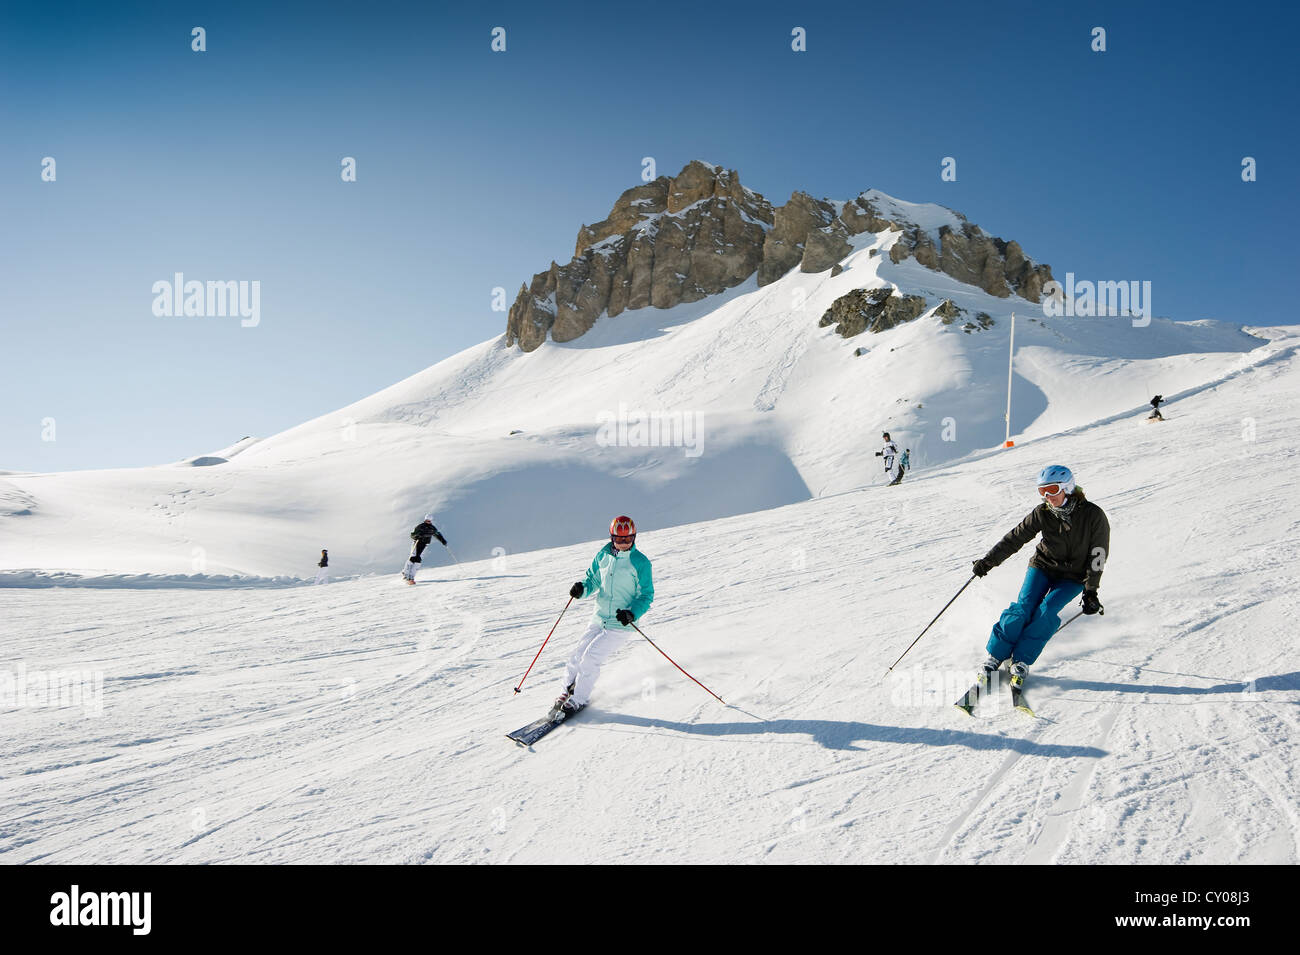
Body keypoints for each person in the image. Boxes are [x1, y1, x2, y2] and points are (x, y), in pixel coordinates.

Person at [970, 465, 1109, 692]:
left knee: (1045, 612)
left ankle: (1022, 660)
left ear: (1067, 487)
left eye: (1052, 489)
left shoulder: (1093, 515)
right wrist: (988, 561)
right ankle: (995, 656)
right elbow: (1015, 538)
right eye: (1042, 491)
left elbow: (1098, 554)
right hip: (1043, 566)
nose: (1047, 496)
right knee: (1023, 608)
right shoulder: (1042, 512)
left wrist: (1091, 590)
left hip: (1074, 576)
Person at [552, 516, 655, 718]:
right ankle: (566, 692)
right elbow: (592, 579)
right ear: (612, 537)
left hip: (621, 623)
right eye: (619, 539)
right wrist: (582, 588)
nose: (623, 544)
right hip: (599, 617)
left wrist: (632, 613)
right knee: (576, 655)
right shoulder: (603, 555)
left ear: (634, 537)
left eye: (628, 539)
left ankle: (579, 699)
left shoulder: (641, 563)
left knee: (590, 658)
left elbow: (646, 595)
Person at [402, 514, 447, 584]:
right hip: (417, 543)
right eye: (427, 520)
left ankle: (411, 577)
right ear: (425, 520)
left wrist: (443, 541)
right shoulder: (420, 526)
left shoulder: (432, 528)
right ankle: (405, 573)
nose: (428, 521)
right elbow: (412, 534)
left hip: (424, 545)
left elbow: (437, 534)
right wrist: (416, 536)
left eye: (429, 521)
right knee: (413, 557)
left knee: (418, 560)